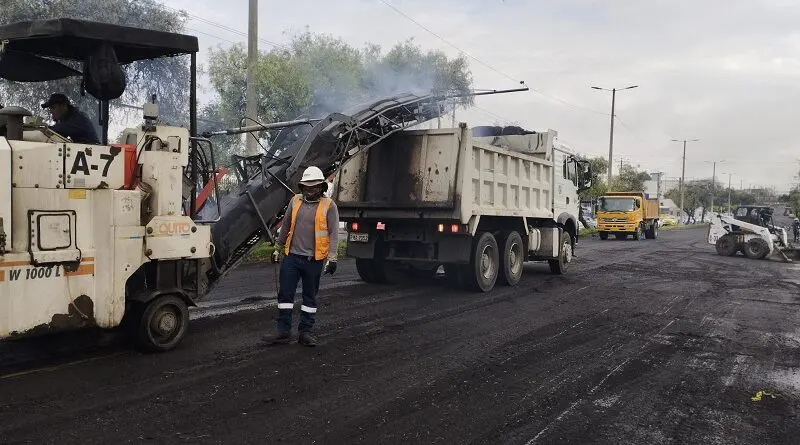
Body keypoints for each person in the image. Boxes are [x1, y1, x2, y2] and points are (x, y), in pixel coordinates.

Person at [270, 166, 339, 347]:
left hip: (313, 260)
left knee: (310, 297)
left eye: (314, 187)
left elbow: (333, 234)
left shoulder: (329, 206)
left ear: (322, 187)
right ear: (302, 187)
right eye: (307, 187)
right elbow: (285, 226)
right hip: (292, 257)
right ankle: (283, 331)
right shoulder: (295, 201)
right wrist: (278, 247)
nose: (310, 190)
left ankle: (305, 332)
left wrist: (332, 257)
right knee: (285, 294)